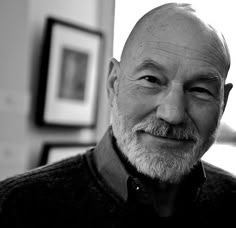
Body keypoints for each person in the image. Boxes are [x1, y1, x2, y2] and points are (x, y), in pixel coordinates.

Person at [0, 2, 235, 227]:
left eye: (200, 90)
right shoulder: (14, 207)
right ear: (114, 84)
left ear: (223, 103)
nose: (172, 114)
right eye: (151, 80)